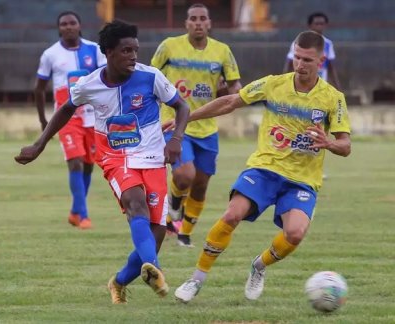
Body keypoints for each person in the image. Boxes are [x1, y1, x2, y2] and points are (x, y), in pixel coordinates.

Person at [15, 20, 190, 303]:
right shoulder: (89, 84)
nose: (133, 56)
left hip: (153, 157)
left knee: (156, 232)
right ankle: (155, 269)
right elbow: (65, 110)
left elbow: (182, 106)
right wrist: (39, 144)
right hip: (114, 157)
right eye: (125, 51)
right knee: (136, 204)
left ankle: (119, 281)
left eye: (135, 49)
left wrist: (176, 139)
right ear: (108, 52)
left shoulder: (151, 76)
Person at [174, 30, 351, 303]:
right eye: (297, 57)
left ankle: (259, 266)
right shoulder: (273, 84)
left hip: (302, 179)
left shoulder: (333, 98)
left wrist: (328, 142)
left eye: (307, 60)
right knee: (232, 214)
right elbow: (230, 101)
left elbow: (346, 146)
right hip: (265, 168)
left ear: (322, 60)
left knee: (295, 233)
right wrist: (186, 118)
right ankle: (197, 278)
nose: (300, 65)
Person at [151, 3, 242, 247]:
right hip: (173, 121)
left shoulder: (222, 51)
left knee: (200, 184)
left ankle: (184, 233)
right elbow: (150, 76)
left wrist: (235, 95)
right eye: (194, 18)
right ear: (186, 23)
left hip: (206, 127)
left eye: (203, 18)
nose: (198, 22)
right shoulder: (169, 46)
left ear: (209, 23)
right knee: (184, 175)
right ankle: (174, 206)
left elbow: (234, 85)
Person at [35, 11, 107, 229]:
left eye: (72, 23)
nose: (68, 27)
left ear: (79, 25)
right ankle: (84, 215)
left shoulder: (95, 50)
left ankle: (75, 212)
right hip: (67, 116)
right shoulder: (50, 54)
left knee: (88, 166)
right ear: (59, 29)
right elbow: (39, 89)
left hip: (92, 116)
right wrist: (43, 120)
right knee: (74, 161)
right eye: (63, 24)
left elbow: (106, 77)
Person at [283, 12, 341, 90]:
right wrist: (285, 83)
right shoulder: (298, 43)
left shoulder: (328, 44)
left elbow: (331, 67)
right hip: (301, 84)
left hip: (320, 85)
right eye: (317, 24)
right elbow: (289, 63)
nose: (319, 26)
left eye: (322, 24)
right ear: (310, 25)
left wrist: (337, 87)